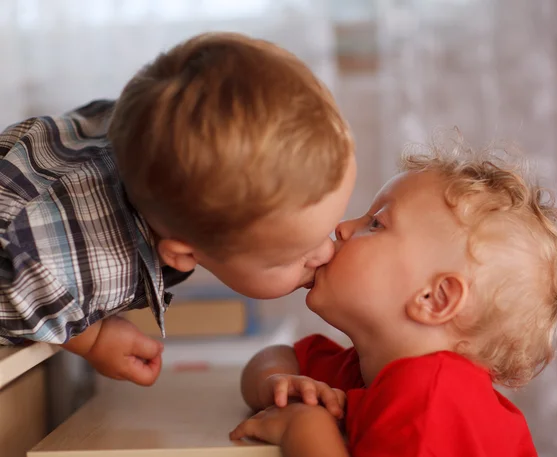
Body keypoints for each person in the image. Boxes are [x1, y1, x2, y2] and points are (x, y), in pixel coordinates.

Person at [0, 32, 356, 386]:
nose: (326, 252)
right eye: (289, 257)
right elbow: (18, 287)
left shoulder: (153, 131)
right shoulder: (79, 264)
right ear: (183, 254)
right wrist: (93, 338)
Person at [232, 140, 557, 457]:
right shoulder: (374, 370)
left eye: (375, 224)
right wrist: (277, 384)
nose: (341, 229)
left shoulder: (434, 398)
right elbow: (272, 358)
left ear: (434, 299)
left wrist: (304, 431)